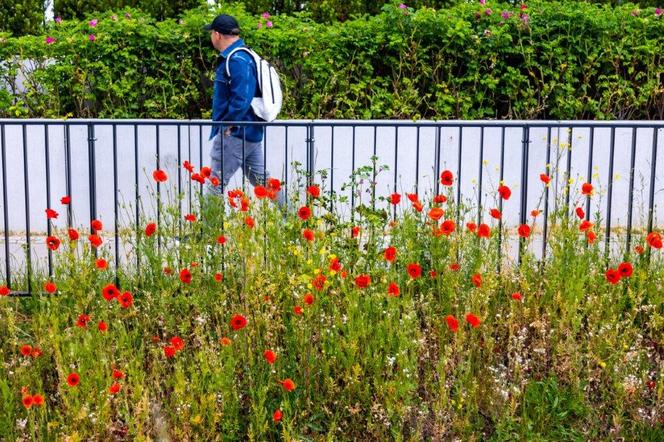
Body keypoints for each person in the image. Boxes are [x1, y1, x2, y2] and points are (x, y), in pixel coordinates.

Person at [203, 14, 283, 205]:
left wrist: (229, 124)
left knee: (215, 184)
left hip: (236, 134)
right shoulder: (243, 55)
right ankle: (296, 222)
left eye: (211, 33)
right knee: (263, 182)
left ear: (217, 34)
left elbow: (241, 98)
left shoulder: (237, 59)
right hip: (249, 133)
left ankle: (208, 235)